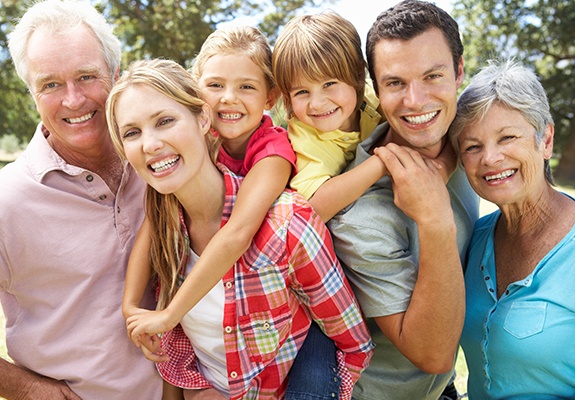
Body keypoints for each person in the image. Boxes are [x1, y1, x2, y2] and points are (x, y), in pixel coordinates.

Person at [106, 58, 374, 400]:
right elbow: (181, 352)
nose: (150, 144)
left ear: (203, 118)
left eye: (165, 121)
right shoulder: (167, 228)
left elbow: (354, 348)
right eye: (132, 133)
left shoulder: (288, 226)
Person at [0, 0, 163, 399]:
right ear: (32, 93)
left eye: (87, 76)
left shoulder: (163, 165)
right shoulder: (8, 201)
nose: (73, 100)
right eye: (50, 84)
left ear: (116, 75)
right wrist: (31, 390)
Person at [327, 1, 480, 399]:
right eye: (395, 83)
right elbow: (432, 355)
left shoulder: (469, 138)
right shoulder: (359, 217)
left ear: (459, 71)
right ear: (376, 90)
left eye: (433, 75)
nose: (416, 100)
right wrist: (433, 219)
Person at [449, 59, 575, 398]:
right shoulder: (474, 238)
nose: (490, 158)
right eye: (472, 146)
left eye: (507, 137)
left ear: (545, 140)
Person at [271, 11, 387, 222]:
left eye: (329, 84)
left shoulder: (370, 99)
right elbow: (314, 208)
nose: (316, 103)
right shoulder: (305, 136)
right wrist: (382, 162)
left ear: (358, 75)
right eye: (301, 92)